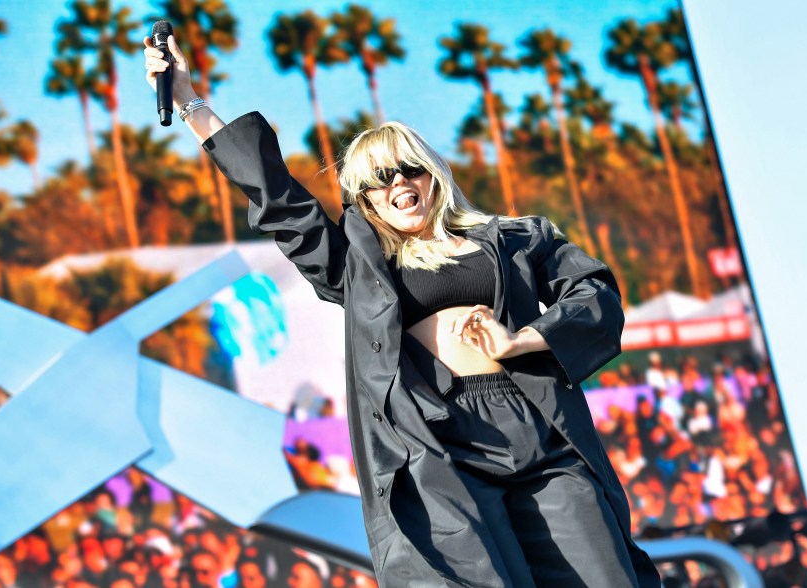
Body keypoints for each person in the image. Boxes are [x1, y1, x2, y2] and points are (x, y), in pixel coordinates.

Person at [144, 34, 661, 588]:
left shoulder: (514, 237)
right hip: (434, 441)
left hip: (538, 425)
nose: (397, 185)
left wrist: (521, 340)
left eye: (406, 169)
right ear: (364, 201)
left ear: (431, 173)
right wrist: (191, 100)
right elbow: (282, 204)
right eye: (376, 180)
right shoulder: (356, 267)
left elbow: (594, 293)